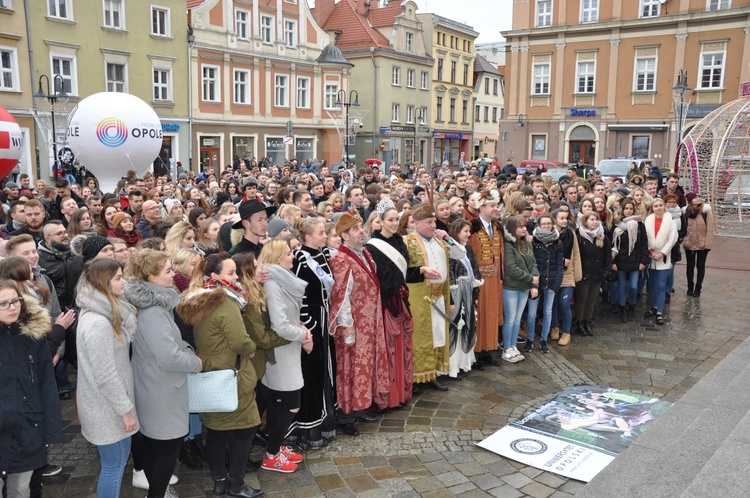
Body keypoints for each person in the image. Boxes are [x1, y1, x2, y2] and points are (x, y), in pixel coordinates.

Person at [176, 253, 264, 498]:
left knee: (216, 431)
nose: (236, 277)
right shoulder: (224, 302)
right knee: (245, 430)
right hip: (231, 375)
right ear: (214, 276)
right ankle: (236, 485)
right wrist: (252, 348)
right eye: (230, 273)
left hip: (211, 374)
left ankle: (220, 483)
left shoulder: (200, 299)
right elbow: (239, 340)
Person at [124, 249, 202, 498]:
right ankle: (157, 493)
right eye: (168, 271)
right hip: (161, 389)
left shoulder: (156, 303)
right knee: (167, 447)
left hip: (155, 385)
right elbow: (168, 356)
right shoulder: (153, 310)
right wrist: (194, 362)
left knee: (157, 445)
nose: (173, 274)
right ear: (151, 277)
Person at [76, 259, 139, 498]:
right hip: (108, 409)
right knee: (114, 467)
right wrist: (125, 411)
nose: (124, 282)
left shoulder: (103, 311)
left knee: (115, 464)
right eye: (118, 278)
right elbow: (105, 374)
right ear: (104, 283)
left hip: (108, 405)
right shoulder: (99, 322)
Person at [329, 212, 390, 435]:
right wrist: (347, 326)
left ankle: (361, 405)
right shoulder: (340, 260)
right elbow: (341, 296)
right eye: (355, 229)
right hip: (354, 324)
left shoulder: (364, 253)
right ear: (344, 235)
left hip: (370, 322)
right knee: (350, 368)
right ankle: (346, 415)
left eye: (360, 227)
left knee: (365, 365)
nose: (361, 231)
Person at [0, 280, 62, 497]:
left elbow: (46, 385)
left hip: (27, 428)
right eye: (4, 304)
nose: (12, 307)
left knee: (21, 490)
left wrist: (51, 430)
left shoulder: (33, 336)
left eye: (15, 301)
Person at [257, 240, 312, 473]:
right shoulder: (272, 285)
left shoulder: (280, 280)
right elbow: (280, 325)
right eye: (289, 253)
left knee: (284, 402)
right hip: (280, 353)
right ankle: (271, 454)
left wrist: (301, 332)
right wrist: (303, 335)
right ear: (278, 258)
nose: (293, 256)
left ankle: (276, 447)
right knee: (289, 404)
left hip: (288, 350)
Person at [404, 203, 465, 389]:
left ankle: (431, 374)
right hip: (419, 297)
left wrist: (448, 239)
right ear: (417, 223)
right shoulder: (407, 241)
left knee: (437, 335)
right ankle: (415, 377)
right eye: (429, 222)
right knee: (419, 337)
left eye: (434, 222)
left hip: (439, 296)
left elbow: (460, 254)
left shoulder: (440, 241)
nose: (433, 225)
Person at [289, 217, 337, 450]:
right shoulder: (302, 260)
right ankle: (309, 428)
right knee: (313, 373)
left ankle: (326, 419)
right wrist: (309, 326)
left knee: (326, 371)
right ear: (308, 237)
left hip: (326, 319)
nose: (325, 236)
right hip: (314, 322)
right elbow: (300, 297)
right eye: (321, 233)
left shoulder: (323, 255)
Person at [366, 199, 414, 406]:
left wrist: (420, 272)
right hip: (386, 303)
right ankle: (387, 397)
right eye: (390, 220)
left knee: (402, 347)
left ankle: (401, 393)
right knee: (388, 349)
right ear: (381, 221)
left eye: (397, 220)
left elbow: (404, 272)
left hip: (401, 299)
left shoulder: (400, 242)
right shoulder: (372, 247)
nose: (394, 224)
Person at [467, 190, 504, 366]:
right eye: (492, 206)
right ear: (482, 208)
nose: (496, 209)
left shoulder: (497, 227)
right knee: (479, 316)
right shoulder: (472, 227)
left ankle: (488, 350)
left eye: (496, 205)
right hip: (479, 279)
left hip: (495, 279)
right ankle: (476, 353)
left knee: (491, 315)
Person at [523, 214, 563, 354]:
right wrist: (533, 281)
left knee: (548, 311)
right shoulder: (533, 241)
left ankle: (544, 339)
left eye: (548, 223)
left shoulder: (557, 241)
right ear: (538, 225)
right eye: (543, 224)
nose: (546, 226)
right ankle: (530, 339)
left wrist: (556, 283)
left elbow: (559, 265)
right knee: (532, 313)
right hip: (536, 281)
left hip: (551, 281)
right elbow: (530, 262)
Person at [447, 219, 482, 377]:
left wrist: (475, 294)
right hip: (456, 293)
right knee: (456, 326)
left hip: (468, 292)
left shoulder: (468, 248)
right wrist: (451, 301)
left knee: (468, 325)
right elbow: (450, 275)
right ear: (457, 232)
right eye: (465, 231)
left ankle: (464, 362)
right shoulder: (451, 250)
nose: (468, 234)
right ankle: (453, 366)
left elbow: (474, 270)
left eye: (469, 231)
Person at [501, 216, 538, 363]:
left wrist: (534, 282)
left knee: (517, 319)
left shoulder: (527, 244)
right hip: (511, 286)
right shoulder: (508, 245)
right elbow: (511, 268)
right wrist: (530, 278)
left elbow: (533, 264)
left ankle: (513, 345)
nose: (524, 229)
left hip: (524, 286)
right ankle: (506, 347)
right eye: (520, 227)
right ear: (512, 229)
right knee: (510, 319)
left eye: (525, 226)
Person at [611, 199, 649, 323]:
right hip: (620, 260)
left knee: (633, 286)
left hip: (635, 260)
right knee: (622, 286)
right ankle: (622, 310)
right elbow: (612, 245)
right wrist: (613, 262)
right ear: (622, 210)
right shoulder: (617, 224)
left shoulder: (640, 224)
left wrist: (644, 261)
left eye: (631, 209)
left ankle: (631, 306)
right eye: (626, 208)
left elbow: (644, 244)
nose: (628, 211)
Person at [575, 211, 612, 335]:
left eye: (596, 219)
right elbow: (577, 255)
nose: (594, 222)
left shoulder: (602, 236)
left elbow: (607, 254)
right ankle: (579, 322)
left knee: (592, 299)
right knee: (582, 298)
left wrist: (606, 270)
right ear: (585, 221)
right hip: (584, 273)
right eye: (591, 219)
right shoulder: (579, 235)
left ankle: (587, 321)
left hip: (597, 272)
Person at [643, 198, 678, 325]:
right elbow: (644, 239)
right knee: (651, 284)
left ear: (664, 206)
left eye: (660, 205)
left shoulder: (671, 221)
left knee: (661, 285)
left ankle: (660, 312)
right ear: (652, 208)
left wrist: (662, 253)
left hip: (664, 257)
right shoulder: (648, 220)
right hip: (651, 257)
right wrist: (651, 252)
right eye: (656, 206)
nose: (658, 208)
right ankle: (654, 307)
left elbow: (672, 240)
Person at [549, 208, 581, 346]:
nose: (564, 221)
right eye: (561, 218)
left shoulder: (571, 234)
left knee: (565, 303)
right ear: (554, 220)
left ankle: (566, 332)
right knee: (554, 304)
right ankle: (555, 326)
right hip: (553, 274)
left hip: (567, 275)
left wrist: (577, 274)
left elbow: (576, 254)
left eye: (566, 218)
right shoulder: (549, 234)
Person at [682, 192, 715, 298]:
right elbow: (684, 228)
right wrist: (684, 240)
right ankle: (690, 287)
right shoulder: (686, 211)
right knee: (690, 266)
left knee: (700, 266)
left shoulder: (706, 211)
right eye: (695, 197)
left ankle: (698, 287)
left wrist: (708, 244)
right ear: (690, 199)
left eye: (699, 197)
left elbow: (710, 229)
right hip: (689, 243)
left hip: (702, 244)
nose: (698, 199)